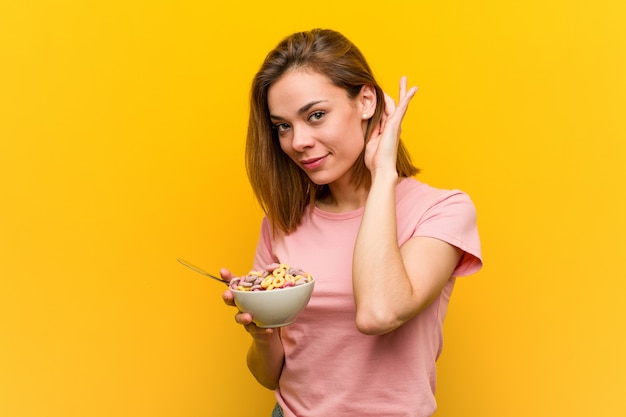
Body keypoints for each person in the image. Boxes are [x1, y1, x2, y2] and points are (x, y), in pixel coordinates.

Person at [220, 28, 482, 417]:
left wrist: (383, 174)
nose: (298, 141)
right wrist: (261, 335)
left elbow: (379, 312)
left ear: (365, 101)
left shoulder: (441, 211)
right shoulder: (283, 222)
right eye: (283, 126)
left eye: (316, 115)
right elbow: (271, 376)